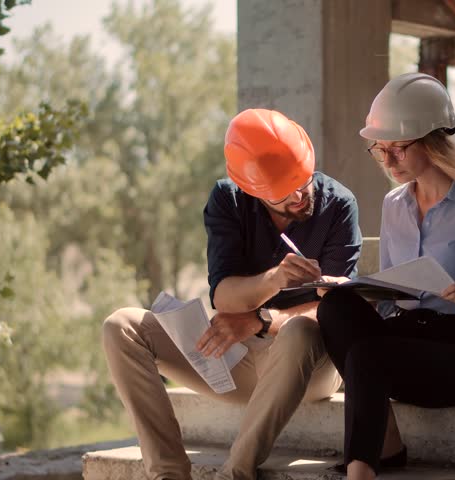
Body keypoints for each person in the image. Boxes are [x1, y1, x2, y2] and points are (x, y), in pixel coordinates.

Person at [102, 108, 362, 480]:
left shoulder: (339, 205)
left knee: (300, 331)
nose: (300, 196)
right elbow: (224, 299)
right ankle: (169, 474)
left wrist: (260, 318)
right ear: (252, 190)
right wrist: (274, 280)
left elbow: (336, 310)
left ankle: (236, 473)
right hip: (236, 360)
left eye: (303, 181)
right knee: (121, 326)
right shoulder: (228, 200)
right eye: (283, 194)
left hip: (307, 365)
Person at [316, 72, 455, 480]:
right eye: (379, 150)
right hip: (406, 338)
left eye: (397, 149)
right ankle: (387, 447)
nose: (388, 161)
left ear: (432, 140)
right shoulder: (394, 204)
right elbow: (397, 291)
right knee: (337, 306)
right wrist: (357, 290)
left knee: (368, 355)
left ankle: (360, 472)